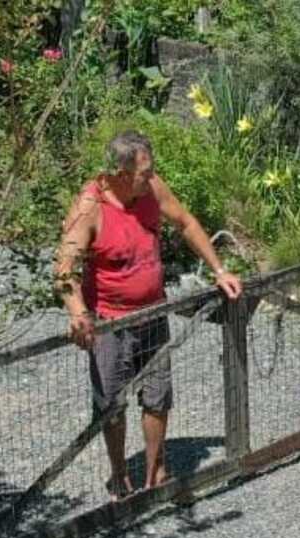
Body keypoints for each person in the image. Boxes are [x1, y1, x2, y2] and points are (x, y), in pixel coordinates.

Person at [54, 130, 242, 500]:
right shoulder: (90, 207)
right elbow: (64, 269)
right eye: (144, 172)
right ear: (121, 174)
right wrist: (77, 312)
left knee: (158, 395)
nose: (151, 176)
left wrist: (220, 270)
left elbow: (186, 222)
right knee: (111, 403)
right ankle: (120, 475)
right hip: (112, 320)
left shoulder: (151, 187)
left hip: (155, 311)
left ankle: (156, 471)